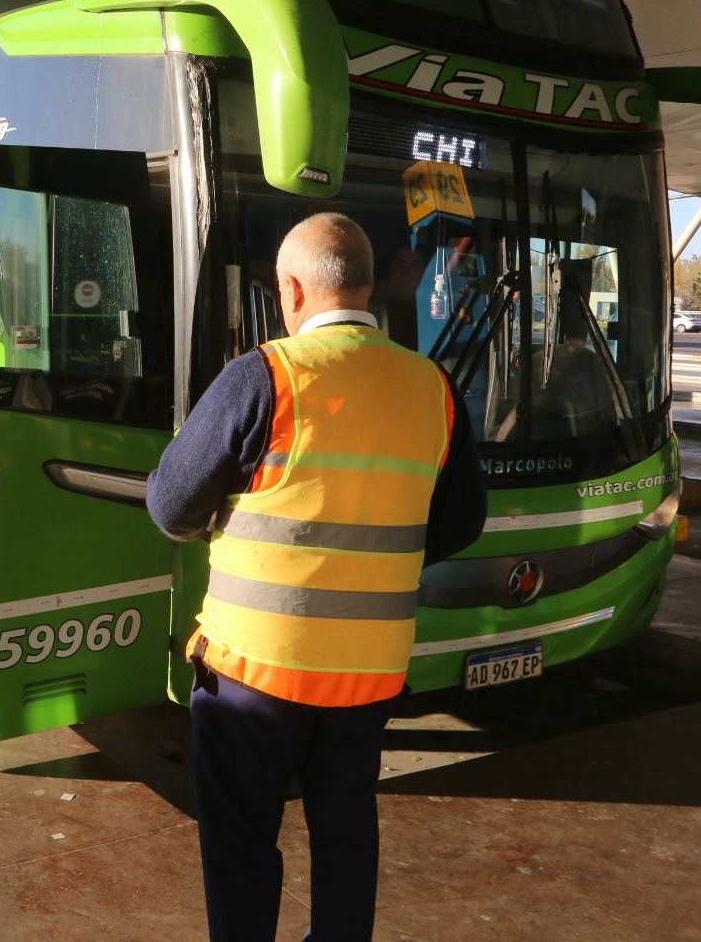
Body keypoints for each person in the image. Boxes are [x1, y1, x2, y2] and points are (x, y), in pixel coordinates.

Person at [146, 212, 485, 941]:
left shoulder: (264, 376)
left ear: (292, 288)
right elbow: (460, 523)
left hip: (253, 676)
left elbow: (170, 506)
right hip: (367, 676)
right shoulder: (433, 388)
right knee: (345, 836)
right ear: (363, 283)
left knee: (240, 846)